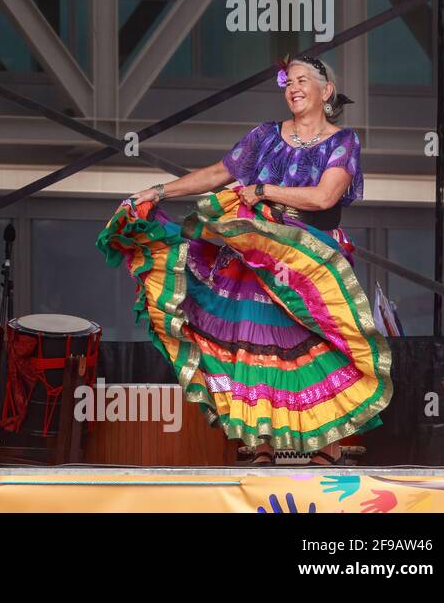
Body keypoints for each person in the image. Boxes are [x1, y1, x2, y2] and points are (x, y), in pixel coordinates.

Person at [97, 55, 391, 465]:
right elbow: (219, 173)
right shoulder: (266, 135)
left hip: (308, 261)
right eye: (288, 81)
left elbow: (325, 197)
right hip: (255, 257)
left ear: (326, 91)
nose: (293, 86)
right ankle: (261, 444)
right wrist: (160, 191)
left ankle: (328, 445)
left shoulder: (342, 142)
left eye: (303, 80)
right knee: (255, 345)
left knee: (321, 344)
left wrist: (265, 190)